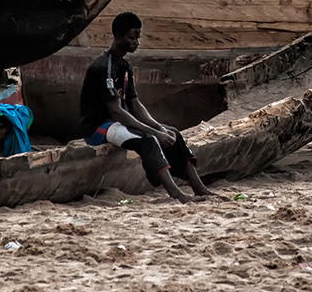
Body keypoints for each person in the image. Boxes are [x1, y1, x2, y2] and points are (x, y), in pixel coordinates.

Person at [80, 11, 215, 203]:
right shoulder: (104, 67)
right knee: (149, 140)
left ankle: (199, 188)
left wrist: (160, 128)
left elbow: (135, 104)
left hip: (118, 122)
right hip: (99, 127)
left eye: (138, 37)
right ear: (118, 36)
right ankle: (177, 194)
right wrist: (154, 132)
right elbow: (116, 111)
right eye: (132, 37)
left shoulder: (125, 66)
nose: (137, 42)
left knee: (173, 133)